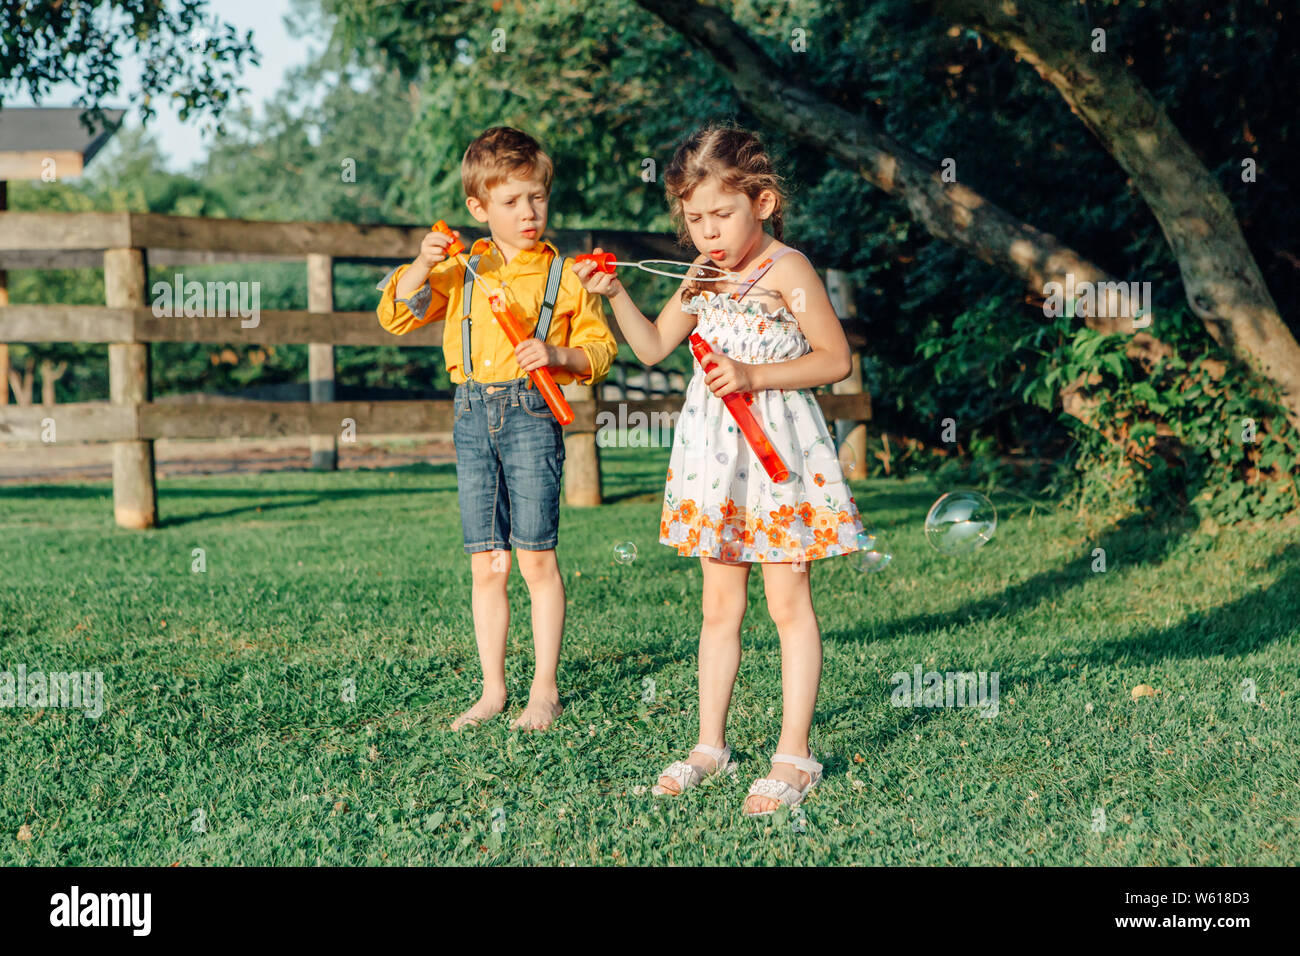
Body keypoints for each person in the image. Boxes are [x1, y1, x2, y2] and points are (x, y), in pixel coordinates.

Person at [574, 124, 865, 816]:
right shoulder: (702, 275)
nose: (707, 232)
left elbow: (834, 359)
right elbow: (649, 350)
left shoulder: (787, 270)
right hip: (716, 460)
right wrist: (613, 295)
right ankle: (711, 744)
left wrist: (753, 374)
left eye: (721, 215)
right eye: (694, 218)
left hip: (778, 456)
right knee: (717, 607)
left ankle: (794, 754)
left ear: (762, 202)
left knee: (788, 602)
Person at [377, 126, 617, 731]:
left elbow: (600, 348)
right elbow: (396, 316)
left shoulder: (562, 273)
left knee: (536, 559)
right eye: (510, 202)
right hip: (470, 413)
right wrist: (419, 265)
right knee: (488, 563)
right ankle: (491, 691)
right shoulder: (461, 269)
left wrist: (558, 357)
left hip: (532, 417)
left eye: (536, 197)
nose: (528, 213)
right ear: (478, 209)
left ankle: (544, 690)